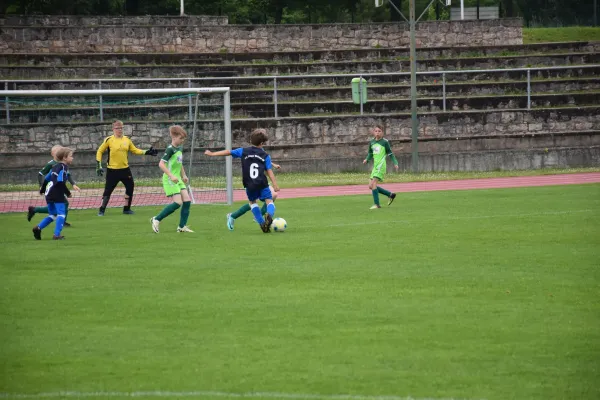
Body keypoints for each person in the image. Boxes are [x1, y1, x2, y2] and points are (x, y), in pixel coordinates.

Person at [205, 128, 280, 233]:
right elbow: (269, 171)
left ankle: (261, 222)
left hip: (249, 183)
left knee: (253, 203)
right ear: (262, 143)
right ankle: (270, 215)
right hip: (262, 183)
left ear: (251, 140)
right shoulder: (265, 155)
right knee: (269, 201)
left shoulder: (243, 151)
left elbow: (228, 152)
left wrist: (213, 154)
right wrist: (275, 184)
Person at [95, 120, 158, 216]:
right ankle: (102, 210)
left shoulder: (127, 140)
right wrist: (98, 165)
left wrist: (147, 152)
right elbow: (99, 151)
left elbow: (135, 150)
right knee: (108, 190)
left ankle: (126, 209)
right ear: (113, 129)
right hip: (112, 170)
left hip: (125, 170)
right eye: (117, 128)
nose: (120, 130)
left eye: (121, 128)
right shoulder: (109, 140)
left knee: (130, 187)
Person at [150, 126, 194, 234]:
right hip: (170, 179)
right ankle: (156, 219)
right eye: (181, 138)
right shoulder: (170, 149)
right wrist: (171, 175)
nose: (182, 140)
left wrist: (183, 175)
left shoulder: (179, 148)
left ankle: (181, 226)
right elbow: (161, 164)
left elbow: (179, 163)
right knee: (178, 202)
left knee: (187, 201)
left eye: (183, 138)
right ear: (174, 137)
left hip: (177, 178)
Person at [27, 145, 80, 226]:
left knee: (56, 208)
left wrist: (73, 184)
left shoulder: (63, 164)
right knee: (62, 204)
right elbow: (40, 174)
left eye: (61, 150)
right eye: (58, 151)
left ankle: (35, 210)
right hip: (52, 188)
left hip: (59, 187)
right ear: (52, 154)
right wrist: (41, 186)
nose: (60, 152)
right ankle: (61, 222)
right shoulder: (51, 164)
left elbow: (68, 175)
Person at [32, 147, 75, 240]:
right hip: (57, 193)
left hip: (49, 194)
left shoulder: (55, 167)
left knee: (53, 215)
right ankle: (56, 235)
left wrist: (42, 190)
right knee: (61, 214)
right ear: (64, 158)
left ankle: (38, 228)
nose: (72, 158)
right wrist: (68, 193)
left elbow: (47, 179)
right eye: (71, 156)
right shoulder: (63, 168)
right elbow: (60, 182)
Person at [362, 125, 400, 209]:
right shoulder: (371, 142)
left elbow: (390, 154)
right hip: (375, 166)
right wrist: (366, 159)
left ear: (382, 132)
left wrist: (395, 163)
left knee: (374, 183)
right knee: (370, 186)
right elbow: (370, 153)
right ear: (373, 132)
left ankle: (377, 204)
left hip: (381, 166)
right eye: (376, 131)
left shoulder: (385, 142)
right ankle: (390, 194)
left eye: (379, 131)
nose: (377, 133)